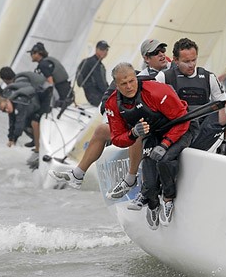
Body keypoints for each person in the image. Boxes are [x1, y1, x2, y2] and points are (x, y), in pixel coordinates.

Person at [49, 39, 171, 205]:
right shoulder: (138, 77)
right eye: (156, 53)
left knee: (137, 131)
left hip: (165, 124)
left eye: (162, 50)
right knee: (101, 130)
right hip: (145, 123)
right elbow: (113, 89)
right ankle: (78, 174)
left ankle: (130, 179)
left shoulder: (176, 68)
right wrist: (108, 103)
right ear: (146, 58)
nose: (161, 54)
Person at [107, 62, 192, 228]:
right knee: (150, 174)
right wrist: (133, 133)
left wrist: (166, 143)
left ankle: (168, 200)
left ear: (136, 78)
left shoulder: (157, 91)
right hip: (153, 133)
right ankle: (153, 205)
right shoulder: (113, 104)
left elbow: (183, 120)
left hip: (180, 128)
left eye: (132, 81)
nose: (129, 87)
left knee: (164, 160)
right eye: (123, 84)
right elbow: (117, 138)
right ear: (117, 85)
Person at [155, 38, 226, 160]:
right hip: (178, 130)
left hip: (204, 129)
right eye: (186, 61)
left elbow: (224, 105)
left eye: (194, 60)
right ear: (176, 60)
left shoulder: (208, 77)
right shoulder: (163, 77)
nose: (191, 64)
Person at [0, 81, 42, 153]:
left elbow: (19, 124)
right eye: (4, 110)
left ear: (8, 101)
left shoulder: (19, 104)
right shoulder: (11, 107)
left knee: (31, 124)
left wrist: (14, 139)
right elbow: (12, 123)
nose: (6, 110)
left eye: (6, 107)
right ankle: (36, 141)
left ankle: (38, 146)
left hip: (39, 108)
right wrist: (10, 138)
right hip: (30, 113)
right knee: (25, 126)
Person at [27, 41, 72, 110]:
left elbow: (51, 83)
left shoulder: (42, 65)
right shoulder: (49, 60)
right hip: (67, 88)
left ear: (39, 54)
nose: (31, 55)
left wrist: (52, 101)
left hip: (61, 91)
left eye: (33, 53)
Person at [75, 40, 110, 107]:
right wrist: (111, 94)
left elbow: (103, 83)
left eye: (106, 49)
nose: (105, 51)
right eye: (102, 49)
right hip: (95, 96)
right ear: (96, 49)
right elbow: (100, 83)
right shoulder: (93, 63)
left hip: (93, 96)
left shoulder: (96, 63)